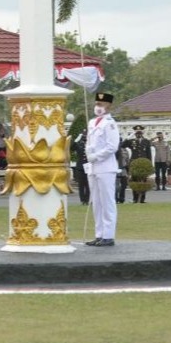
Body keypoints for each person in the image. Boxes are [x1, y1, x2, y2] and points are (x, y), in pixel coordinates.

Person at [84, 92, 119, 246]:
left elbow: (112, 146)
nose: (98, 107)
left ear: (108, 106)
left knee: (107, 202)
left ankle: (108, 235)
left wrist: (96, 156)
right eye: (97, 104)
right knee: (96, 202)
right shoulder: (92, 122)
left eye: (102, 105)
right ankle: (99, 234)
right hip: (93, 168)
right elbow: (89, 142)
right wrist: (88, 152)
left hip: (106, 167)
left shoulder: (110, 123)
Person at [122, 125, 152, 203]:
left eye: (140, 133)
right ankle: (135, 199)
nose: (138, 134)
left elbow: (149, 154)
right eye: (136, 133)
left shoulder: (146, 141)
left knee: (143, 181)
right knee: (134, 181)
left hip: (144, 164)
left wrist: (149, 165)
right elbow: (122, 145)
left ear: (142, 133)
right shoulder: (132, 141)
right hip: (134, 164)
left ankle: (142, 199)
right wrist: (130, 136)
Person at [72, 130, 90, 205]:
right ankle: (82, 200)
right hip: (80, 168)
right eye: (84, 136)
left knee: (88, 185)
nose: (85, 137)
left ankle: (87, 199)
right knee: (81, 185)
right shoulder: (79, 145)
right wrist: (76, 140)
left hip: (88, 168)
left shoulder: (90, 145)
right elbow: (72, 147)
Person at [114, 138, 129, 205]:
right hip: (115, 169)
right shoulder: (114, 150)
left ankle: (122, 199)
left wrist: (128, 171)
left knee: (123, 185)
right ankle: (115, 199)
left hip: (123, 169)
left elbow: (127, 160)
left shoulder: (125, 150)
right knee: (116, 186)